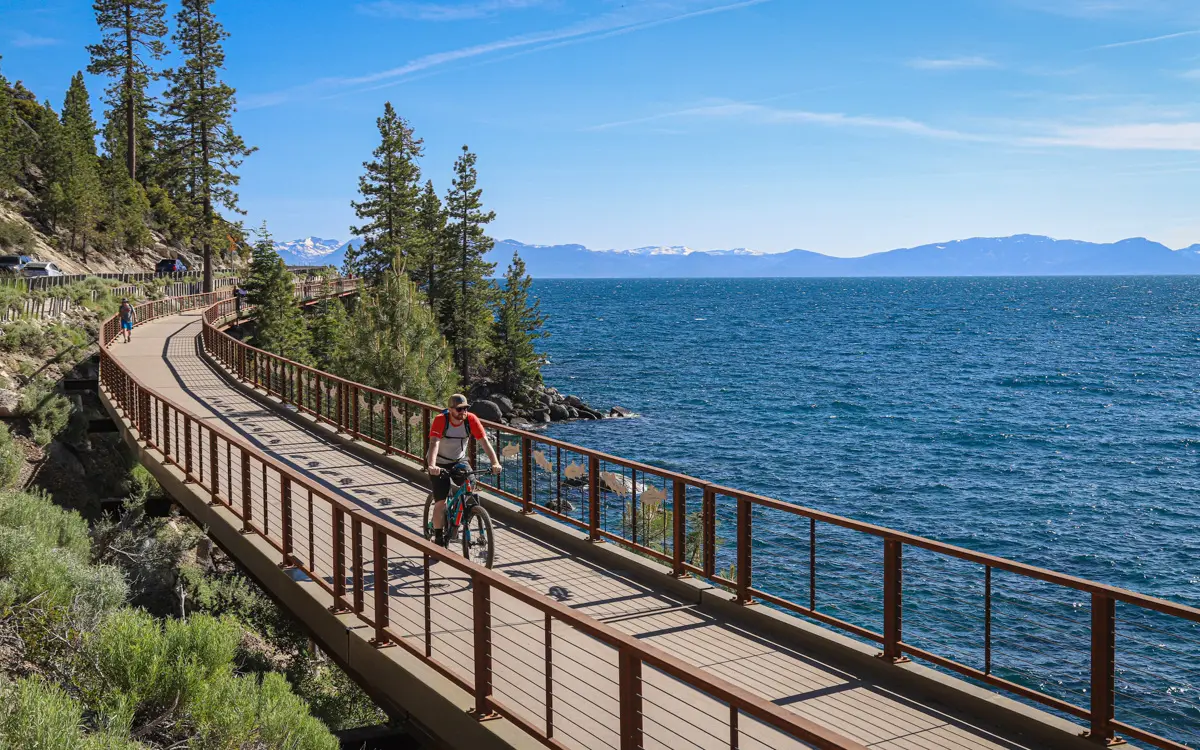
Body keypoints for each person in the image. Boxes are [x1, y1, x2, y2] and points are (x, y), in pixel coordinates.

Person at [425, 394, 502, 547]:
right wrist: (432, 465)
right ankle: (439, 536)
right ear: (450, 409)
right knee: (440, 501)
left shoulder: (471, 420)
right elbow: (434, 443)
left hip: (459, 460)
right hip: (439, 462)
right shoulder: (441, 420)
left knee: (470, 484)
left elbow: (484, 442)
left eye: (465, 408)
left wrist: (495, 462)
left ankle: (460, 519)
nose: (463, 412)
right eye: (459, 409)